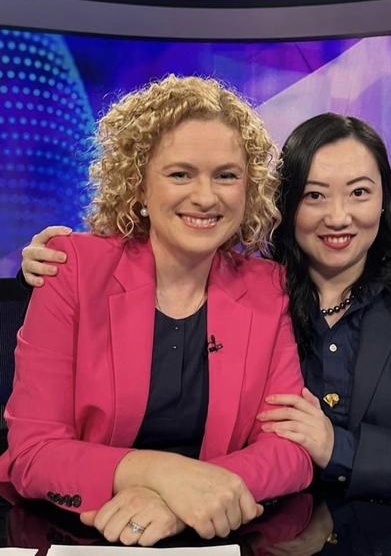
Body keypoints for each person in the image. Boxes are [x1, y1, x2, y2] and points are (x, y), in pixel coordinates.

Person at [20, 113, 391, 524]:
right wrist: (173, 485)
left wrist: (340, 449)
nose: (338, 216)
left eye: (360, 193)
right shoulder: (269, 285)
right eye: (315, 195)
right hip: (271, 528)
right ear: (285, 203)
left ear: (385, 199)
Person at [1, 75, 312, 546]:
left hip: (209, 532)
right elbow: (32, 454)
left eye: (226, 175)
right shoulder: (73, 269)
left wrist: (183, 499)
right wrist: (162, 473)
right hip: (80, 532)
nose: (206, 197)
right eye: (180, 174)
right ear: (139, 185)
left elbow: (290, 450)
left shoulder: (268, 288)